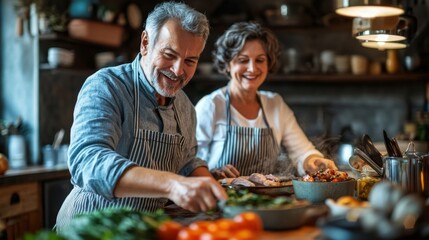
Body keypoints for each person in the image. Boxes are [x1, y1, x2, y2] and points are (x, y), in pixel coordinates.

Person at [55, 2, 226, 230]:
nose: (178, 71)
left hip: (142, 229)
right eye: (169, 54)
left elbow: (186, 161)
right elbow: (88, 159)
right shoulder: (107, 85)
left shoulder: (184, 105)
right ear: (145, 43)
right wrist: (172, 185)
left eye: (190, 61)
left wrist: (210, 186)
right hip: (89, 229)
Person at [195, 22, 337, 179]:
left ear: (269, 63)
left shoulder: (275, 104)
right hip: (220, 199)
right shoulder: (211, 105)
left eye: (260, 60)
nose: (252, 68)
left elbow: (302, 152)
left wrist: (313, 161)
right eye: (243, 60)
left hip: (267, 200)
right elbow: (188, 162)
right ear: (228, 64)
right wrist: (212, 173)